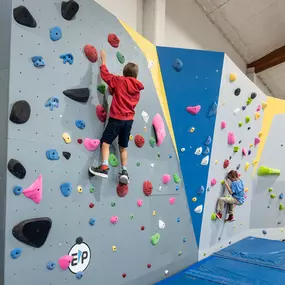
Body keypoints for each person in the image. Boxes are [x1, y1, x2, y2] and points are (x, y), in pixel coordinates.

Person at [89, 50, 144, 185]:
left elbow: (106, 75)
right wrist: (114, 90)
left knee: (106, 143)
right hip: (128, 121)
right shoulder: (137, 89)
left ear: (124, 73)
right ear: (136, 75)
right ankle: (124, 172)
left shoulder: (119, 80)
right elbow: (124, 94)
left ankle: (104, 167)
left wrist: (104, 60)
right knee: (123, 147)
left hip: (117, 118)